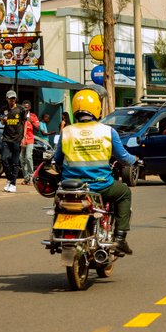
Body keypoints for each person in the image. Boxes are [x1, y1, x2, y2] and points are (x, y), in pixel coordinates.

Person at [53, 88, 139, 255]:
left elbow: (57, 159)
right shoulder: (107, 131)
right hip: (101, 186)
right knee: (124, 193)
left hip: (73, 187)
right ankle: (120, 238)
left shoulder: (66, 132)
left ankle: (57, 232)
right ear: (97, 109)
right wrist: (134, 160)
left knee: (60, 200)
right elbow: (123, 157)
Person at [0, 90, 26, 192]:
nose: (12, 100)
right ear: (7, 99)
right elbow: (1, 122)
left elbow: (25, 123)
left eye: (14, 98)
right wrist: (3, 120)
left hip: (17, 138)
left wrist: (24, 137)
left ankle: (13, 184)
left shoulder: (21, 109)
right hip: (6, 137)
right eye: (10, 98)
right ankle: (9, 179)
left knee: (15, 162)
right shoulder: (3, 109)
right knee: (4, 159)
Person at [19, 100, 40, 185]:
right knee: (21, 158)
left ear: (30, 107)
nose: (25, 108)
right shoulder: (20, 116)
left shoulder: (33, 116)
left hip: (30, 139)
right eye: (24, 107)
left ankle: (31, 176)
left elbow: (37, 128)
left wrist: (31, 121)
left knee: (28, 157)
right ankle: (26, 178)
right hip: (22, 139)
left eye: (27, 107)